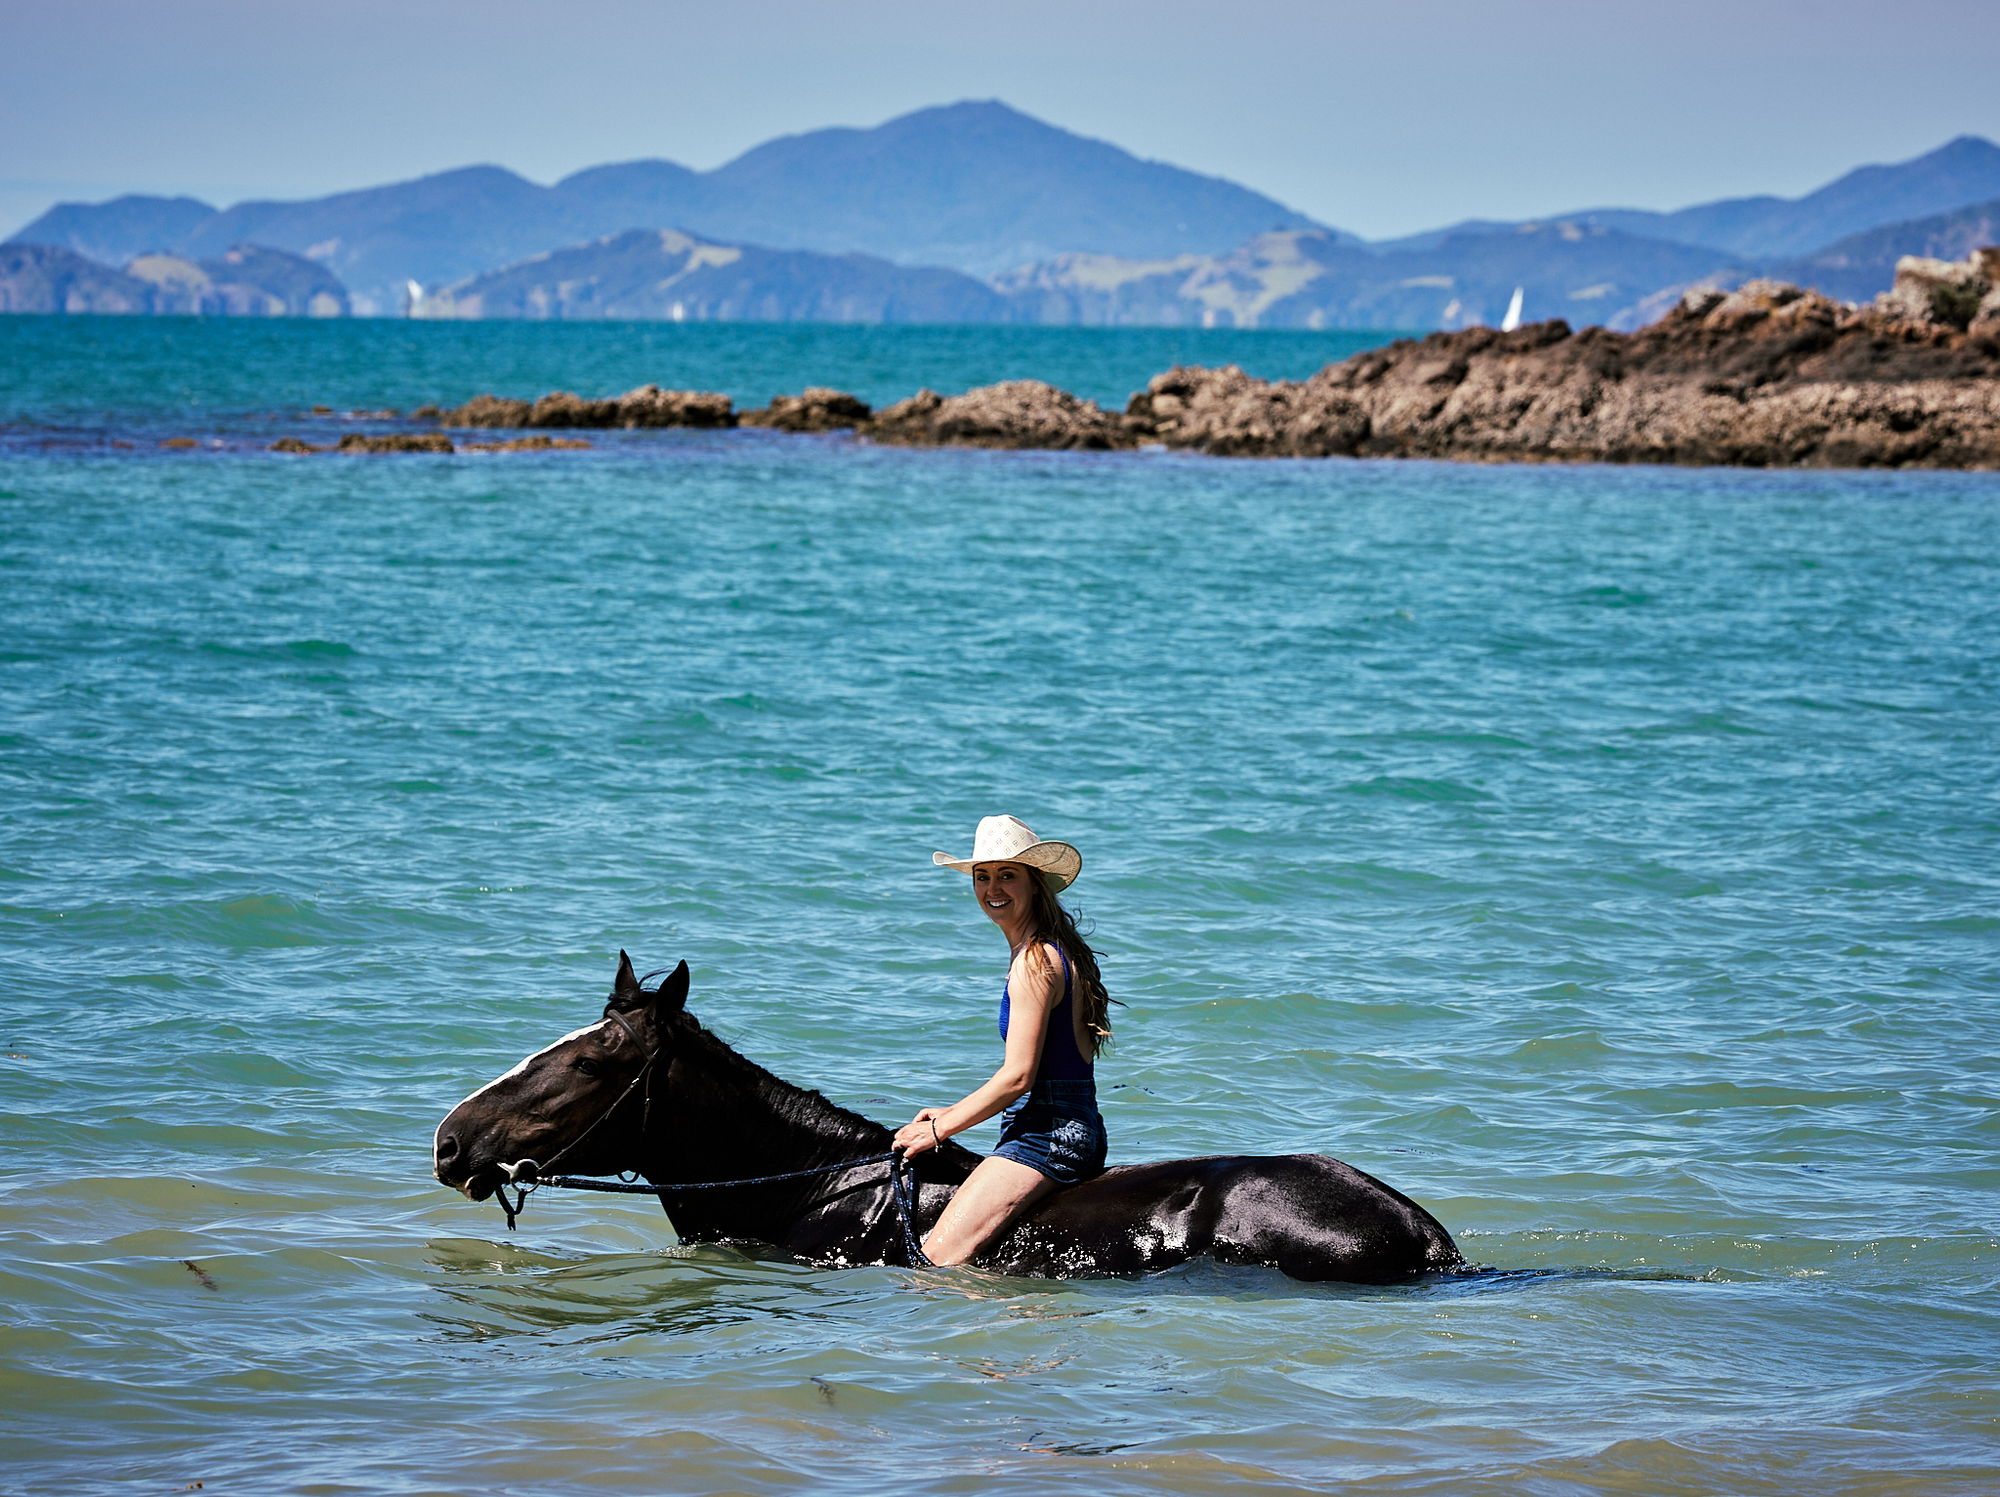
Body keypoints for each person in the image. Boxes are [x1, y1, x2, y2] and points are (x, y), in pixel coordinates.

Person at [893, 814, 1113, 1266]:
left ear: (1035, 883)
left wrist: (937, 1131)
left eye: (1007, 875)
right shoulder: (1055, 948)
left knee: (934, 1262)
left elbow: (1018, 1077)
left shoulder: (1034, 962)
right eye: (983, 876)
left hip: (1047, 1136)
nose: (993, 888)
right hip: (1069, 1123)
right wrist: (953, 1110)